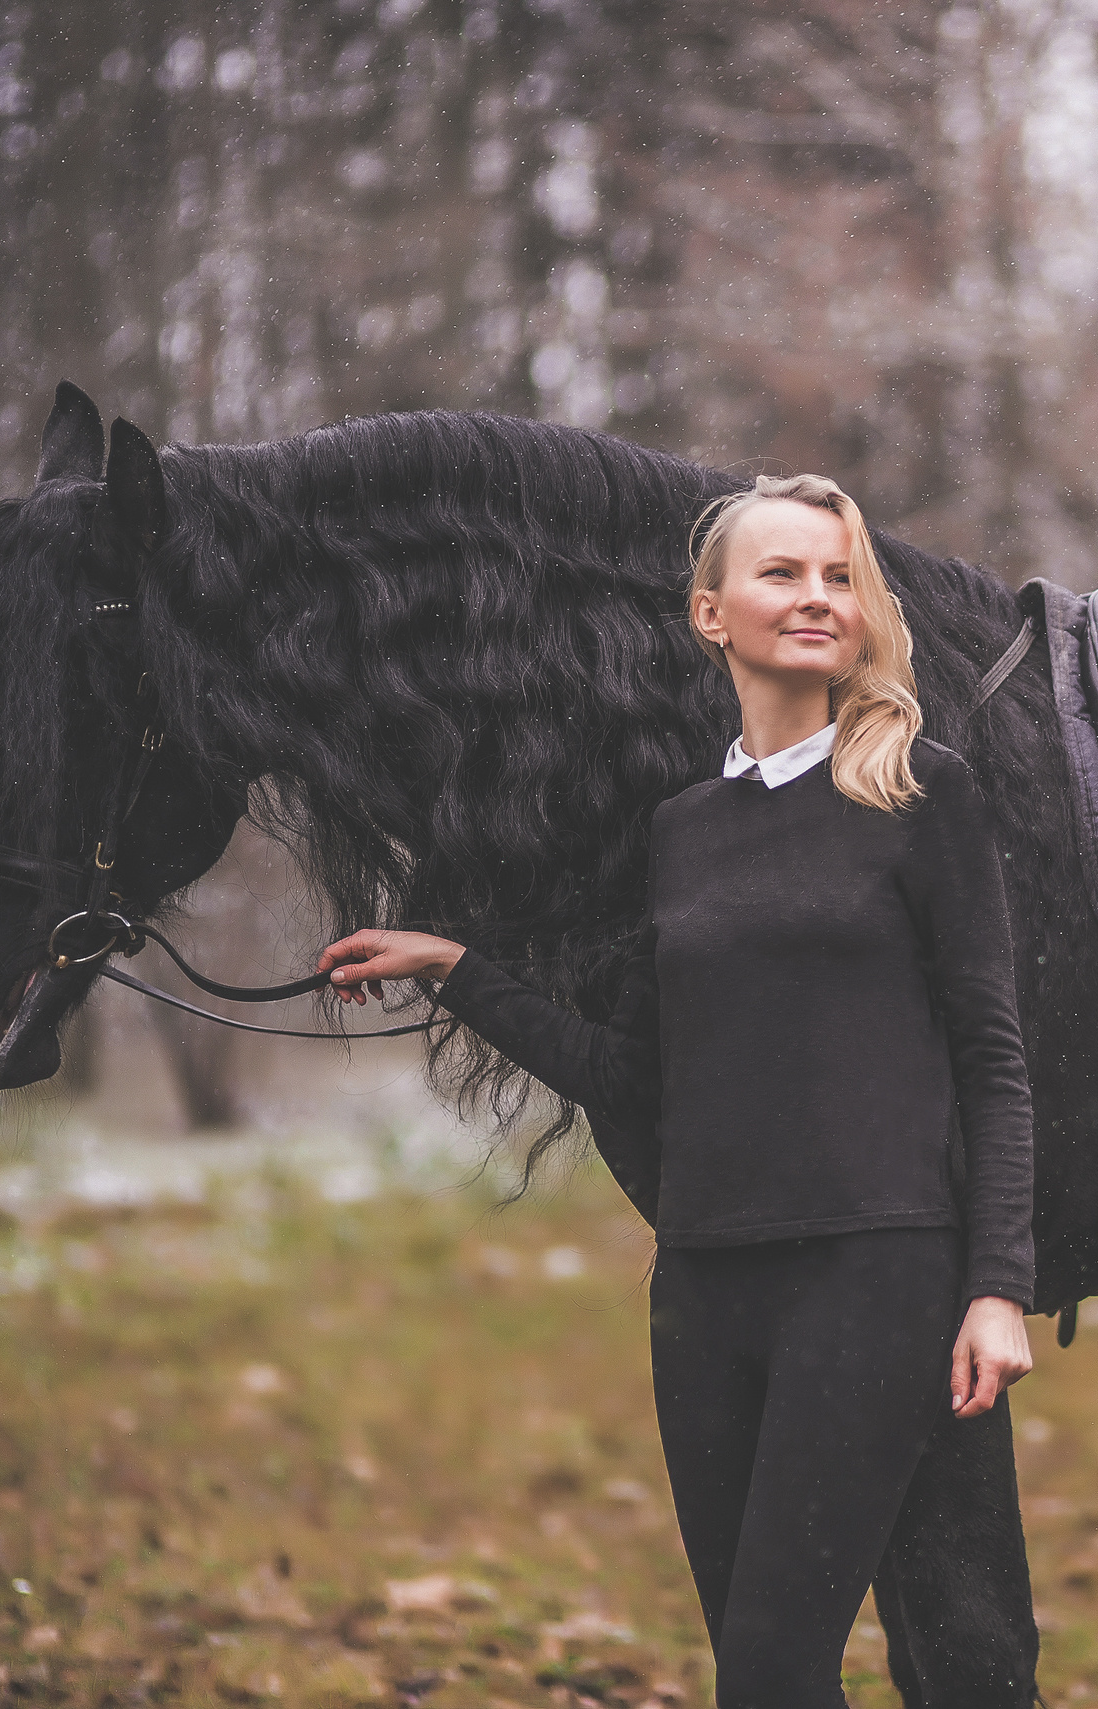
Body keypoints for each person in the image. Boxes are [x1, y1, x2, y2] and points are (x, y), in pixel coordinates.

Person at [314, 473, 1035, 1707]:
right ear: (711, 614)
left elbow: (993, 1053)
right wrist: (458, 971)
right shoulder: (684, 831)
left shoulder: (920, 793)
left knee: (772, 1672)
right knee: (759, 1670)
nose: (817, 598)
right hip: (702, 1290)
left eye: (839, 575)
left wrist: (997, 1288)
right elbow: (636, 1076)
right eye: (783, 573)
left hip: (877, 1275)